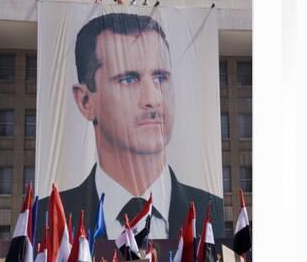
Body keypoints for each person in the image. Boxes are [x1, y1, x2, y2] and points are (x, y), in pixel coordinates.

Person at [36, 13, 223, 241]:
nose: (153, 99)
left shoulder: (212, 211)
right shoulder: (48, 220)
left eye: (160, 78)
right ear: (86, 101)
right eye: (128, 79)